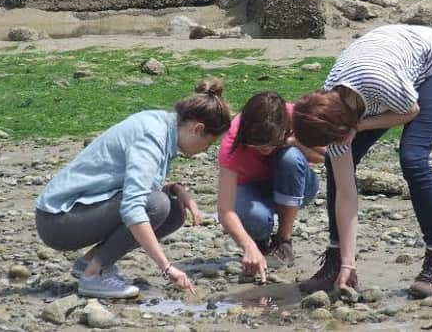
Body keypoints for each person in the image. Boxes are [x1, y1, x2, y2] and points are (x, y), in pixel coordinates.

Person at [293, 24, 432, 298]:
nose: (332, 147)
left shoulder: (379, 85)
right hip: (384, 66)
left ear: (344, 127)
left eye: (335, 140)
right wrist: (350, 262)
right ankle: (337, 263)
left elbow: (410, 110)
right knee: (336, 167)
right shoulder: (331, 100)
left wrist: (359, 127)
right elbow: (346, 193)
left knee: (413, 157)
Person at [35, 78, 231, 298]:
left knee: (174, 211)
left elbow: (137, 186)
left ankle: (90, 263)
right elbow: (134, 206)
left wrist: (176, 188)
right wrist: (167, 268)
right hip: (57, 220)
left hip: (79, 211)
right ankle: (93, 275)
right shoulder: (152, 136)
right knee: (157, 205)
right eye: (209, 143)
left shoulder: (165, 126)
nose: (205, 149)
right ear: (198, 128)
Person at [217, 91, 324, 282]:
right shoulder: (233, 139)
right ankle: (259, 243)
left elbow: (326, 156)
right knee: (253, 217)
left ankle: (283, 241)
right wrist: (247, 246)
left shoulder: (297, 117)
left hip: (297, 185)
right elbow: (225, 210)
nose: (265, 149)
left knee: (290, 157)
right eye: (256, 145)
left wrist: (292, 143)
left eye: (272, 143)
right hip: (252, 188)